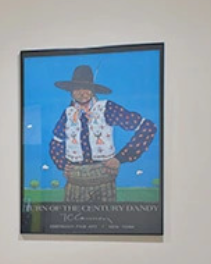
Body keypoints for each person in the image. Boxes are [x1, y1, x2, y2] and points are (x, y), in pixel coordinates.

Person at [48, 65, 157, 202]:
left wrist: (121, 158)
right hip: (75, 179)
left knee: (106, 217)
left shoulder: (107, 109)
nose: (82, 93)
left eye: (86, 88)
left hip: (104, 177)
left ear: (93, 90)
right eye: (77, 88)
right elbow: (56, 142)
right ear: (71, 92)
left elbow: (147, 127)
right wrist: (62, 164)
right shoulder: (68, 113)